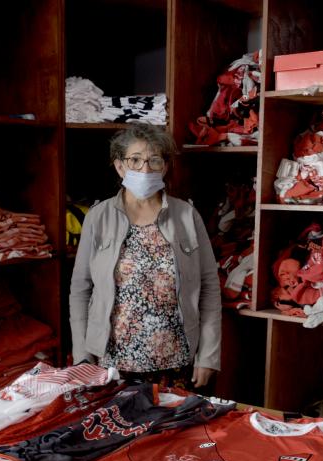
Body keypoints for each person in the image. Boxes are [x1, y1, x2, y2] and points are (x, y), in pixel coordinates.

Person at [69, 124, 221, 388]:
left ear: (165, 166)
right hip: (111, 363)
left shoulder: (186, 215)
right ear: (119, 166)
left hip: (176, 362)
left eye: (154, 160)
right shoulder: (99, 216)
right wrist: (82, 355)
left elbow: (209, 287)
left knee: (177, 429)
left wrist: (208, 356)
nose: (145, 169)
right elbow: (80, 289)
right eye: (135, 160)